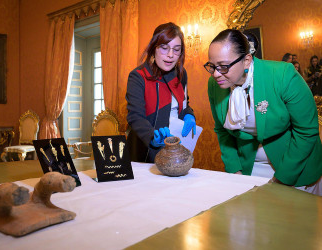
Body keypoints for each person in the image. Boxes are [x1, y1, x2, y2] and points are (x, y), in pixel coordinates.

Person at [205, 29, 322, 195]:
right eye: (212, 66)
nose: (216, 74)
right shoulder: (215, 85)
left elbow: (306, 131)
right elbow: (222, 131)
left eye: (223, 66)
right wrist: (235, 171)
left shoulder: (283, 75)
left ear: (246, 60)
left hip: (294, 163)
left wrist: (280, 179)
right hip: (250, 166)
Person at [126, 22, 196, 163]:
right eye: (164, 48)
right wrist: (153, 137)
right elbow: (135, 117)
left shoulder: (181, 74)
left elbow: (183, 104)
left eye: (176, 50)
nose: (170, 55)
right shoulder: (138, 76)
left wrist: (189, 114)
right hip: (145, 153)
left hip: (175, 151)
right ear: (153, 48)